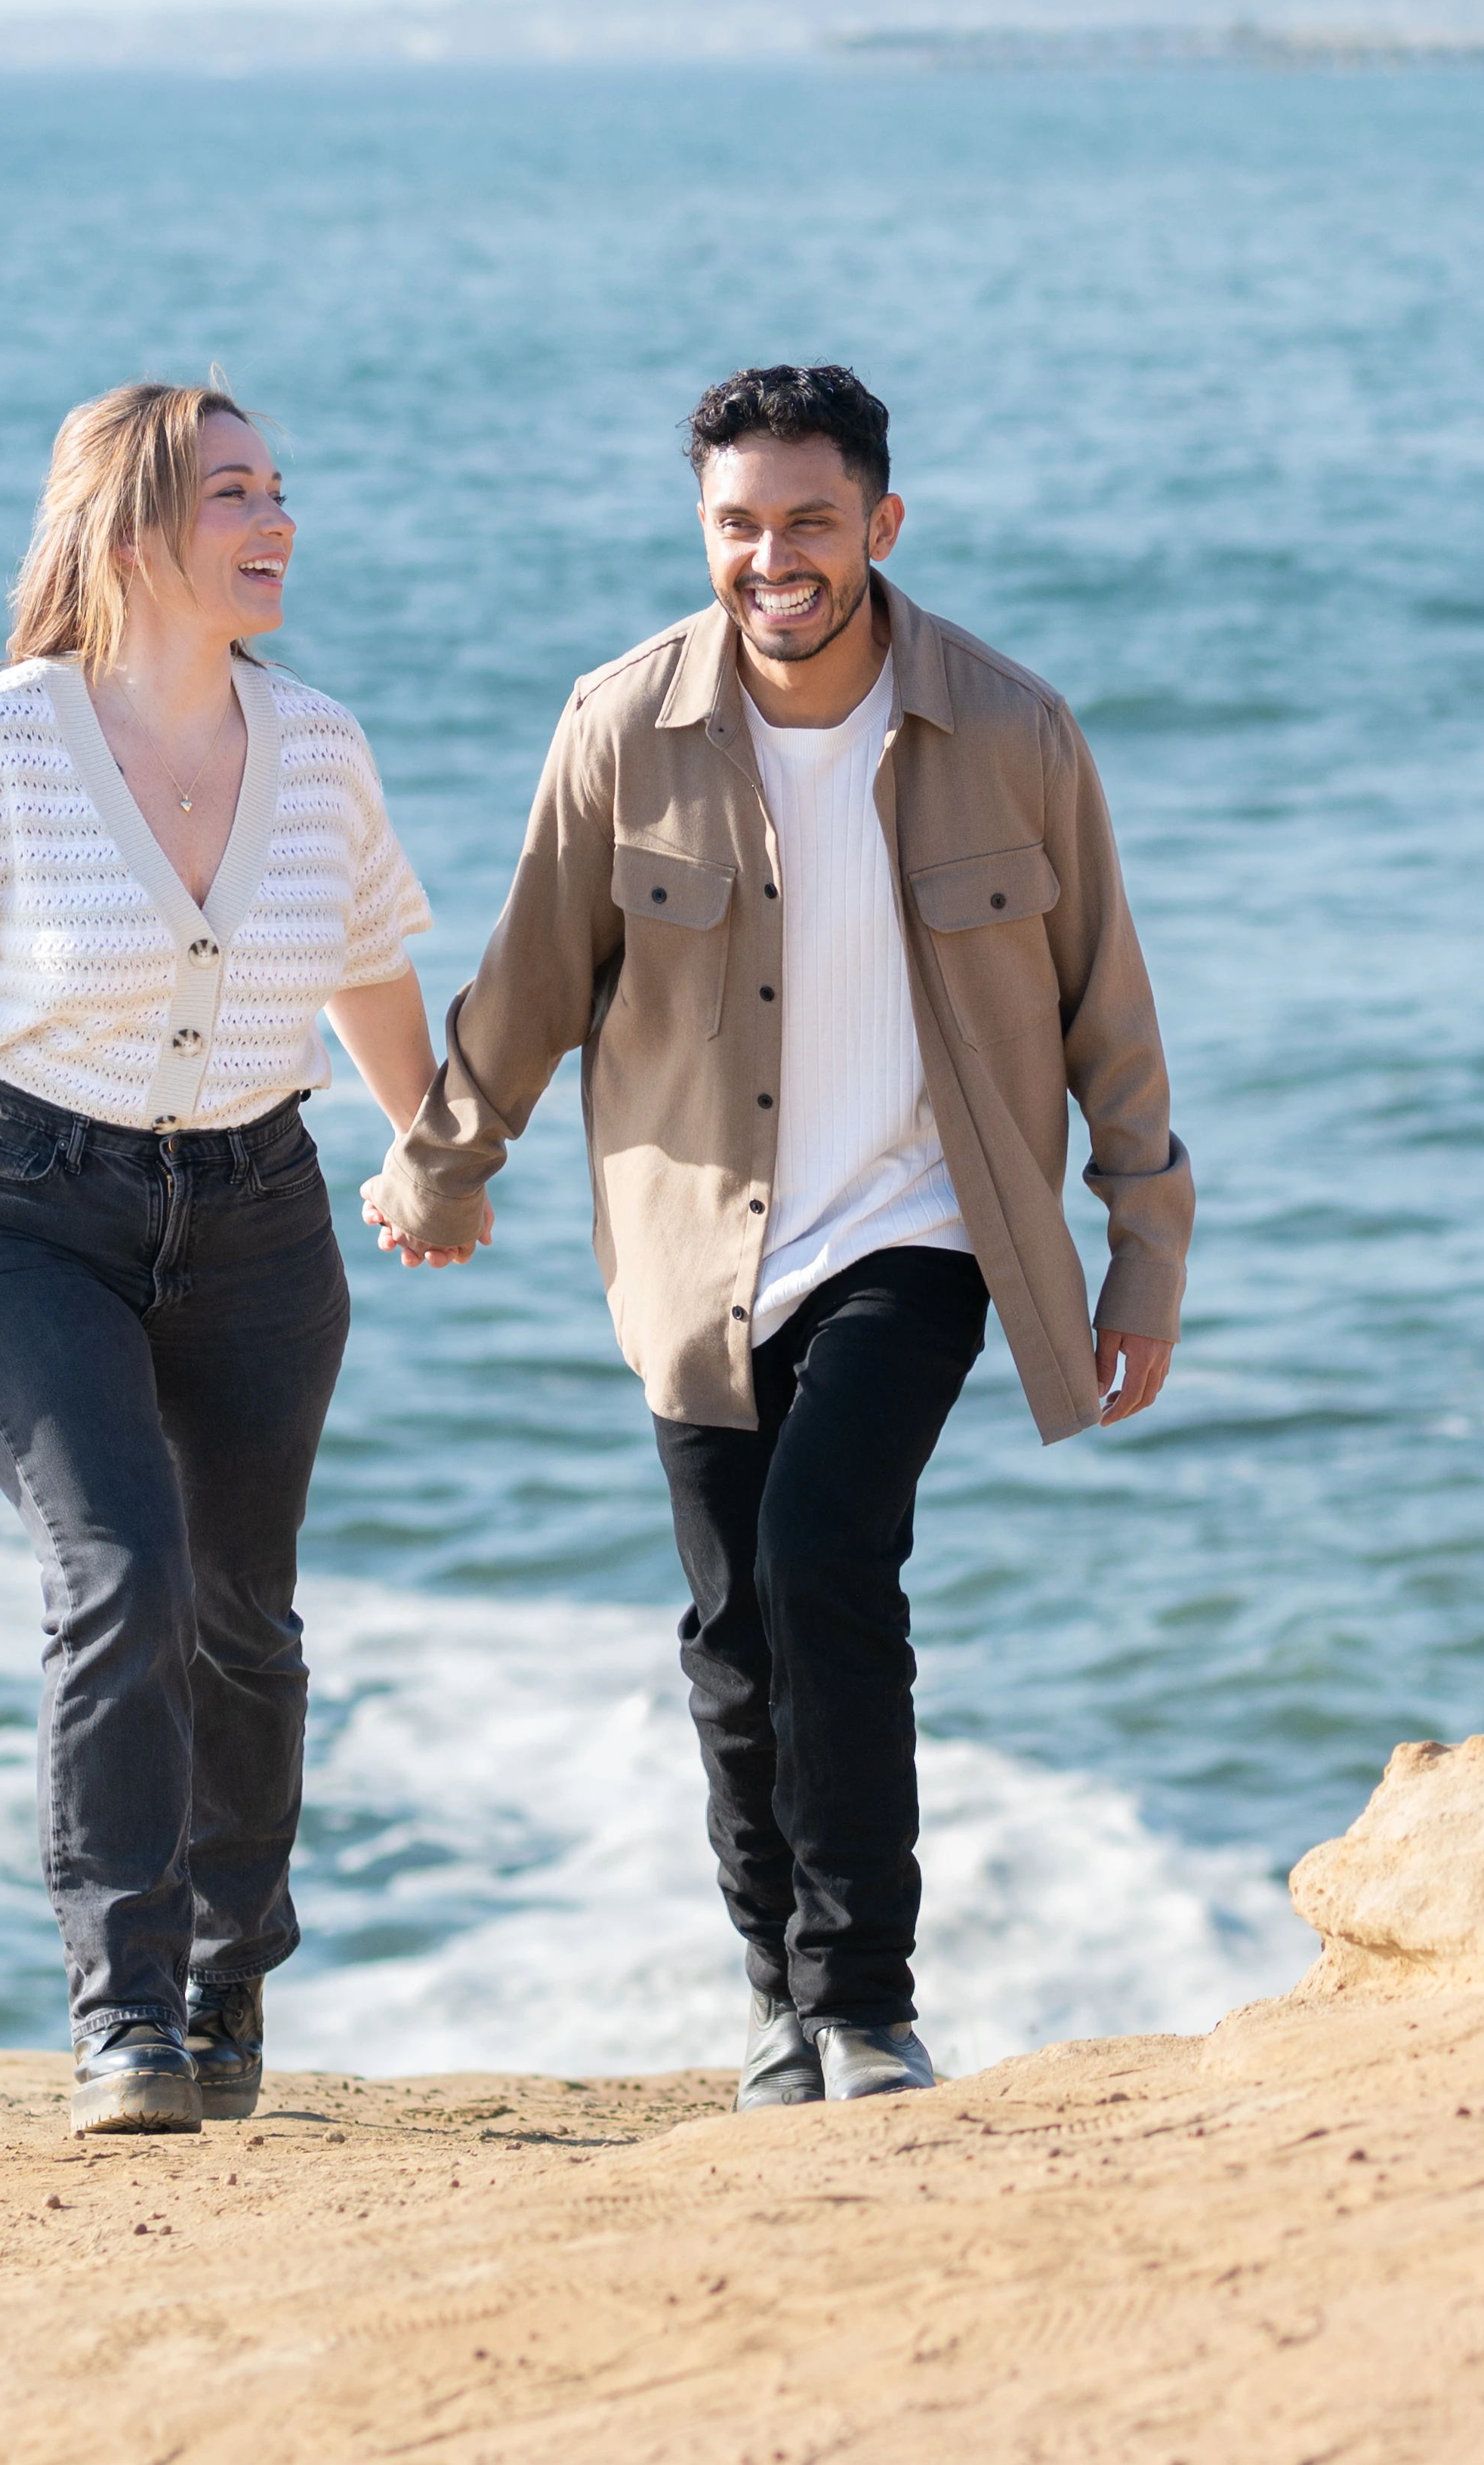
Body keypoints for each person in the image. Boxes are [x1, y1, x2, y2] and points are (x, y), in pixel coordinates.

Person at [359, 362, 1189, 2109]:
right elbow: (530, 983)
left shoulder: (1011, 731)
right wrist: (443, 1162)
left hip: (925, 1227)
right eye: (738, 525)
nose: (772, 559)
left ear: (880, 526)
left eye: (809, 522)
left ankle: (867, 1999)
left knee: (827, 1556)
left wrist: (1143, 1251)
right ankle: (776, 2000)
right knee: (734, 1630)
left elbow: (1107, 1005)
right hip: (696, 1255)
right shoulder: (622, 727)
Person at [0, 381, 437, 2138]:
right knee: (122, 1567)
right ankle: (121, 2017)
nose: (275, 521)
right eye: (231, 495)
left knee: (244, 1627)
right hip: (18, 1212)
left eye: (281, 487)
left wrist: (432, 1145)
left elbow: (362, 961)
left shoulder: (324, 745)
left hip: (263, 1217)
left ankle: (228, 1995)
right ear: (131, 531)